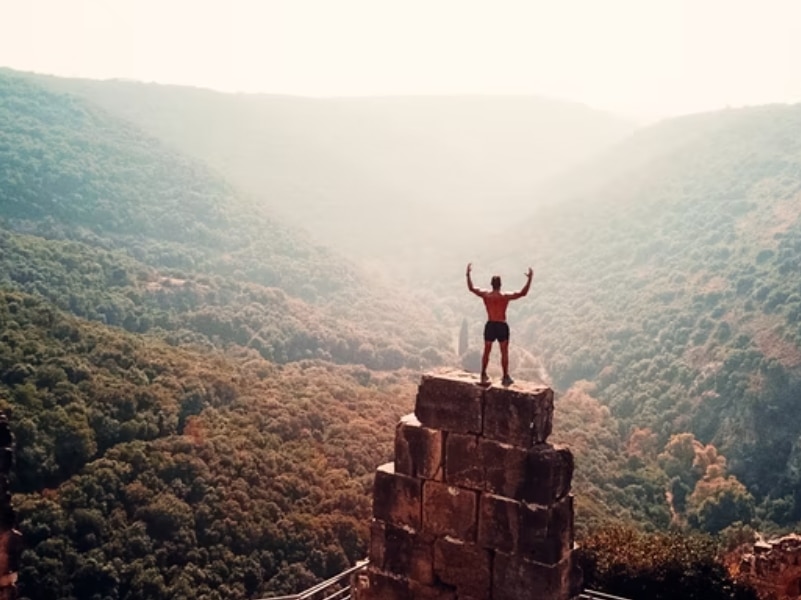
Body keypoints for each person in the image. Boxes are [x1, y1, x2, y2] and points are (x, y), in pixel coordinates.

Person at [466, 262, 533, 385]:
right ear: (500, 285)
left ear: (491, 284)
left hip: (490, 324)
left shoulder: (486, 295)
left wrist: (467, 274)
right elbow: (523, 293)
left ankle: (483, 373)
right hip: (502, 325)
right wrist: (530, 279)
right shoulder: (504, 297)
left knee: (487, 350)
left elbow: (471, 288)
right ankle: (505, 376)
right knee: (504, 352)